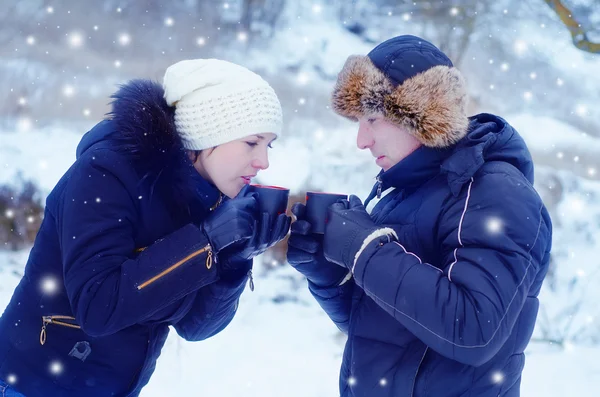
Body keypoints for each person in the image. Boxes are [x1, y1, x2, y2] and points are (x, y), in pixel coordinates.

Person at [0, 59, 290, 396]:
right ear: (208, 133)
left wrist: (235, 259)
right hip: (31, 385)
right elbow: (98, 308)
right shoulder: (105, 174)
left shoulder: (212, 196)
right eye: (251, 143)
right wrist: (205, 241)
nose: (263, 162)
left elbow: (196, 327)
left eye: (268, 145)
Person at [287, 35, 552, 396]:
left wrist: (364, 250)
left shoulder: (497, 193)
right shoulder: (405, 193)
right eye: (358, 122)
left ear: (421, 115)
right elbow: (385, 330)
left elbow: (474, 330)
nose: (361, 140)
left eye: (373, 119)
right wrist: (329, 274)